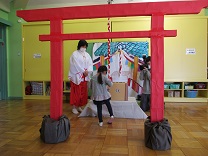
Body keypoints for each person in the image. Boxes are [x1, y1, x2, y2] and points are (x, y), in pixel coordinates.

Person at [68, 40, 93, 114]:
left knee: (83, 93)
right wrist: (83, 71)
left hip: (85, 76)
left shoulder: (87, 54)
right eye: (83, 46)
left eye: (85, 47)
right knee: (76, 92)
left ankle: (79, 106)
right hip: (77, 75)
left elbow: (90, 64)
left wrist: (88, 71)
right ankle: (74, 107)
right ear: (79, 46)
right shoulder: (74, 54)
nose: (84, 48)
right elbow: (75, 64)